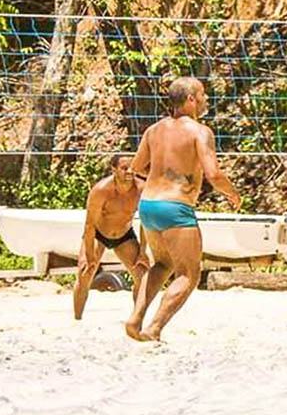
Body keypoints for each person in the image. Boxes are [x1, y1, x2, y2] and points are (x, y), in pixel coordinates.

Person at [126, 77, 240, 342]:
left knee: (162, 264)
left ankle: (135, 318)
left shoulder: (154, 130)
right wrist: (232, 194)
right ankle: (153, 328)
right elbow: (213, 173)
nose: (206, 99)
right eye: (203, 94)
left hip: (149, 205)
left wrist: (163, 174)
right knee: (189, 274)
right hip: (175, 207)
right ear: (191, 99)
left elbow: (137, 166)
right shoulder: (200, 132)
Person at [74, 155, 148, 320]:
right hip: (98, 234)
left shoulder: (141, 189)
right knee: (85, 272)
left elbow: (146, 222)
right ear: (113, 170)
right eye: (124, 168)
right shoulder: (101, 190)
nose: (130, 172)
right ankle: (77, 319)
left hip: (124, 235)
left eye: (132, 168)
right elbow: (89, 224)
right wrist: (89, 255)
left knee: (142, 276)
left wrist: (143, 252)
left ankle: (136, 320)